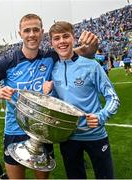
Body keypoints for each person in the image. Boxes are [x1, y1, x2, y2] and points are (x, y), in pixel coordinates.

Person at [0, 14, 98, 179]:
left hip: (42, 130)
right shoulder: (8, 60)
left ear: (42, 33)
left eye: (35, 30)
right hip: (15, 130)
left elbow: (86, 52)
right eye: (27, 30)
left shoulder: (51, 56)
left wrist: (92, 43)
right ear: (20, 33)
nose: (31, 34)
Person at [43, 21, 120, 179]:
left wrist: (101, 116)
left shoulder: (92, 66)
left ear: (74, 38)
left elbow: (113, 98)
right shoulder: (54, 70)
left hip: (96, 135)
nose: (62, 41)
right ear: (51, 43)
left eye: (66, 36)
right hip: (68, 138)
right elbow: (58, 103)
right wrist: (50, 94)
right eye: (56, 38)